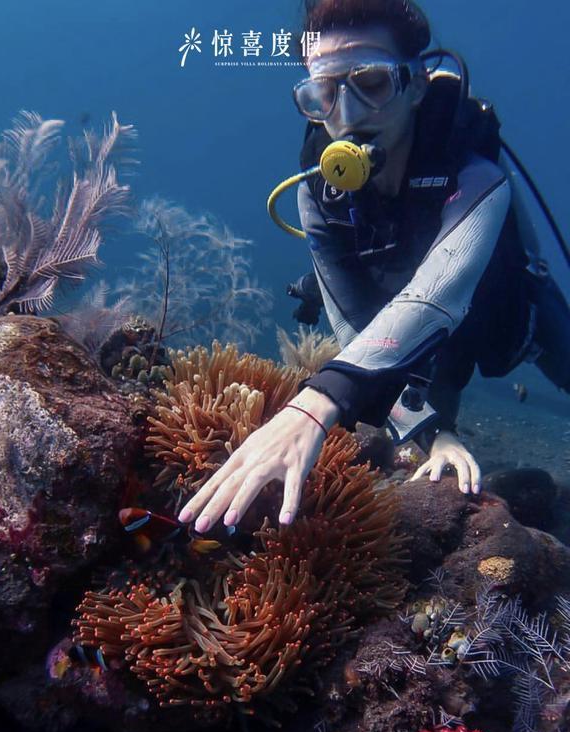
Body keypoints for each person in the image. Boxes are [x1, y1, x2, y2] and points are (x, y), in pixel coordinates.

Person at [178, 0, 570, 535]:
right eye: (323, 92)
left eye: (371, 82)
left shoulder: (476, 175)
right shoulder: (319, 193)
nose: (348, 112)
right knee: (433, 422)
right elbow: (355, 332)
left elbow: (438, 295)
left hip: (512, 319)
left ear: (415, 86)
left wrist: (314, 405)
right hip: (427, 351)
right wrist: (432, 433)